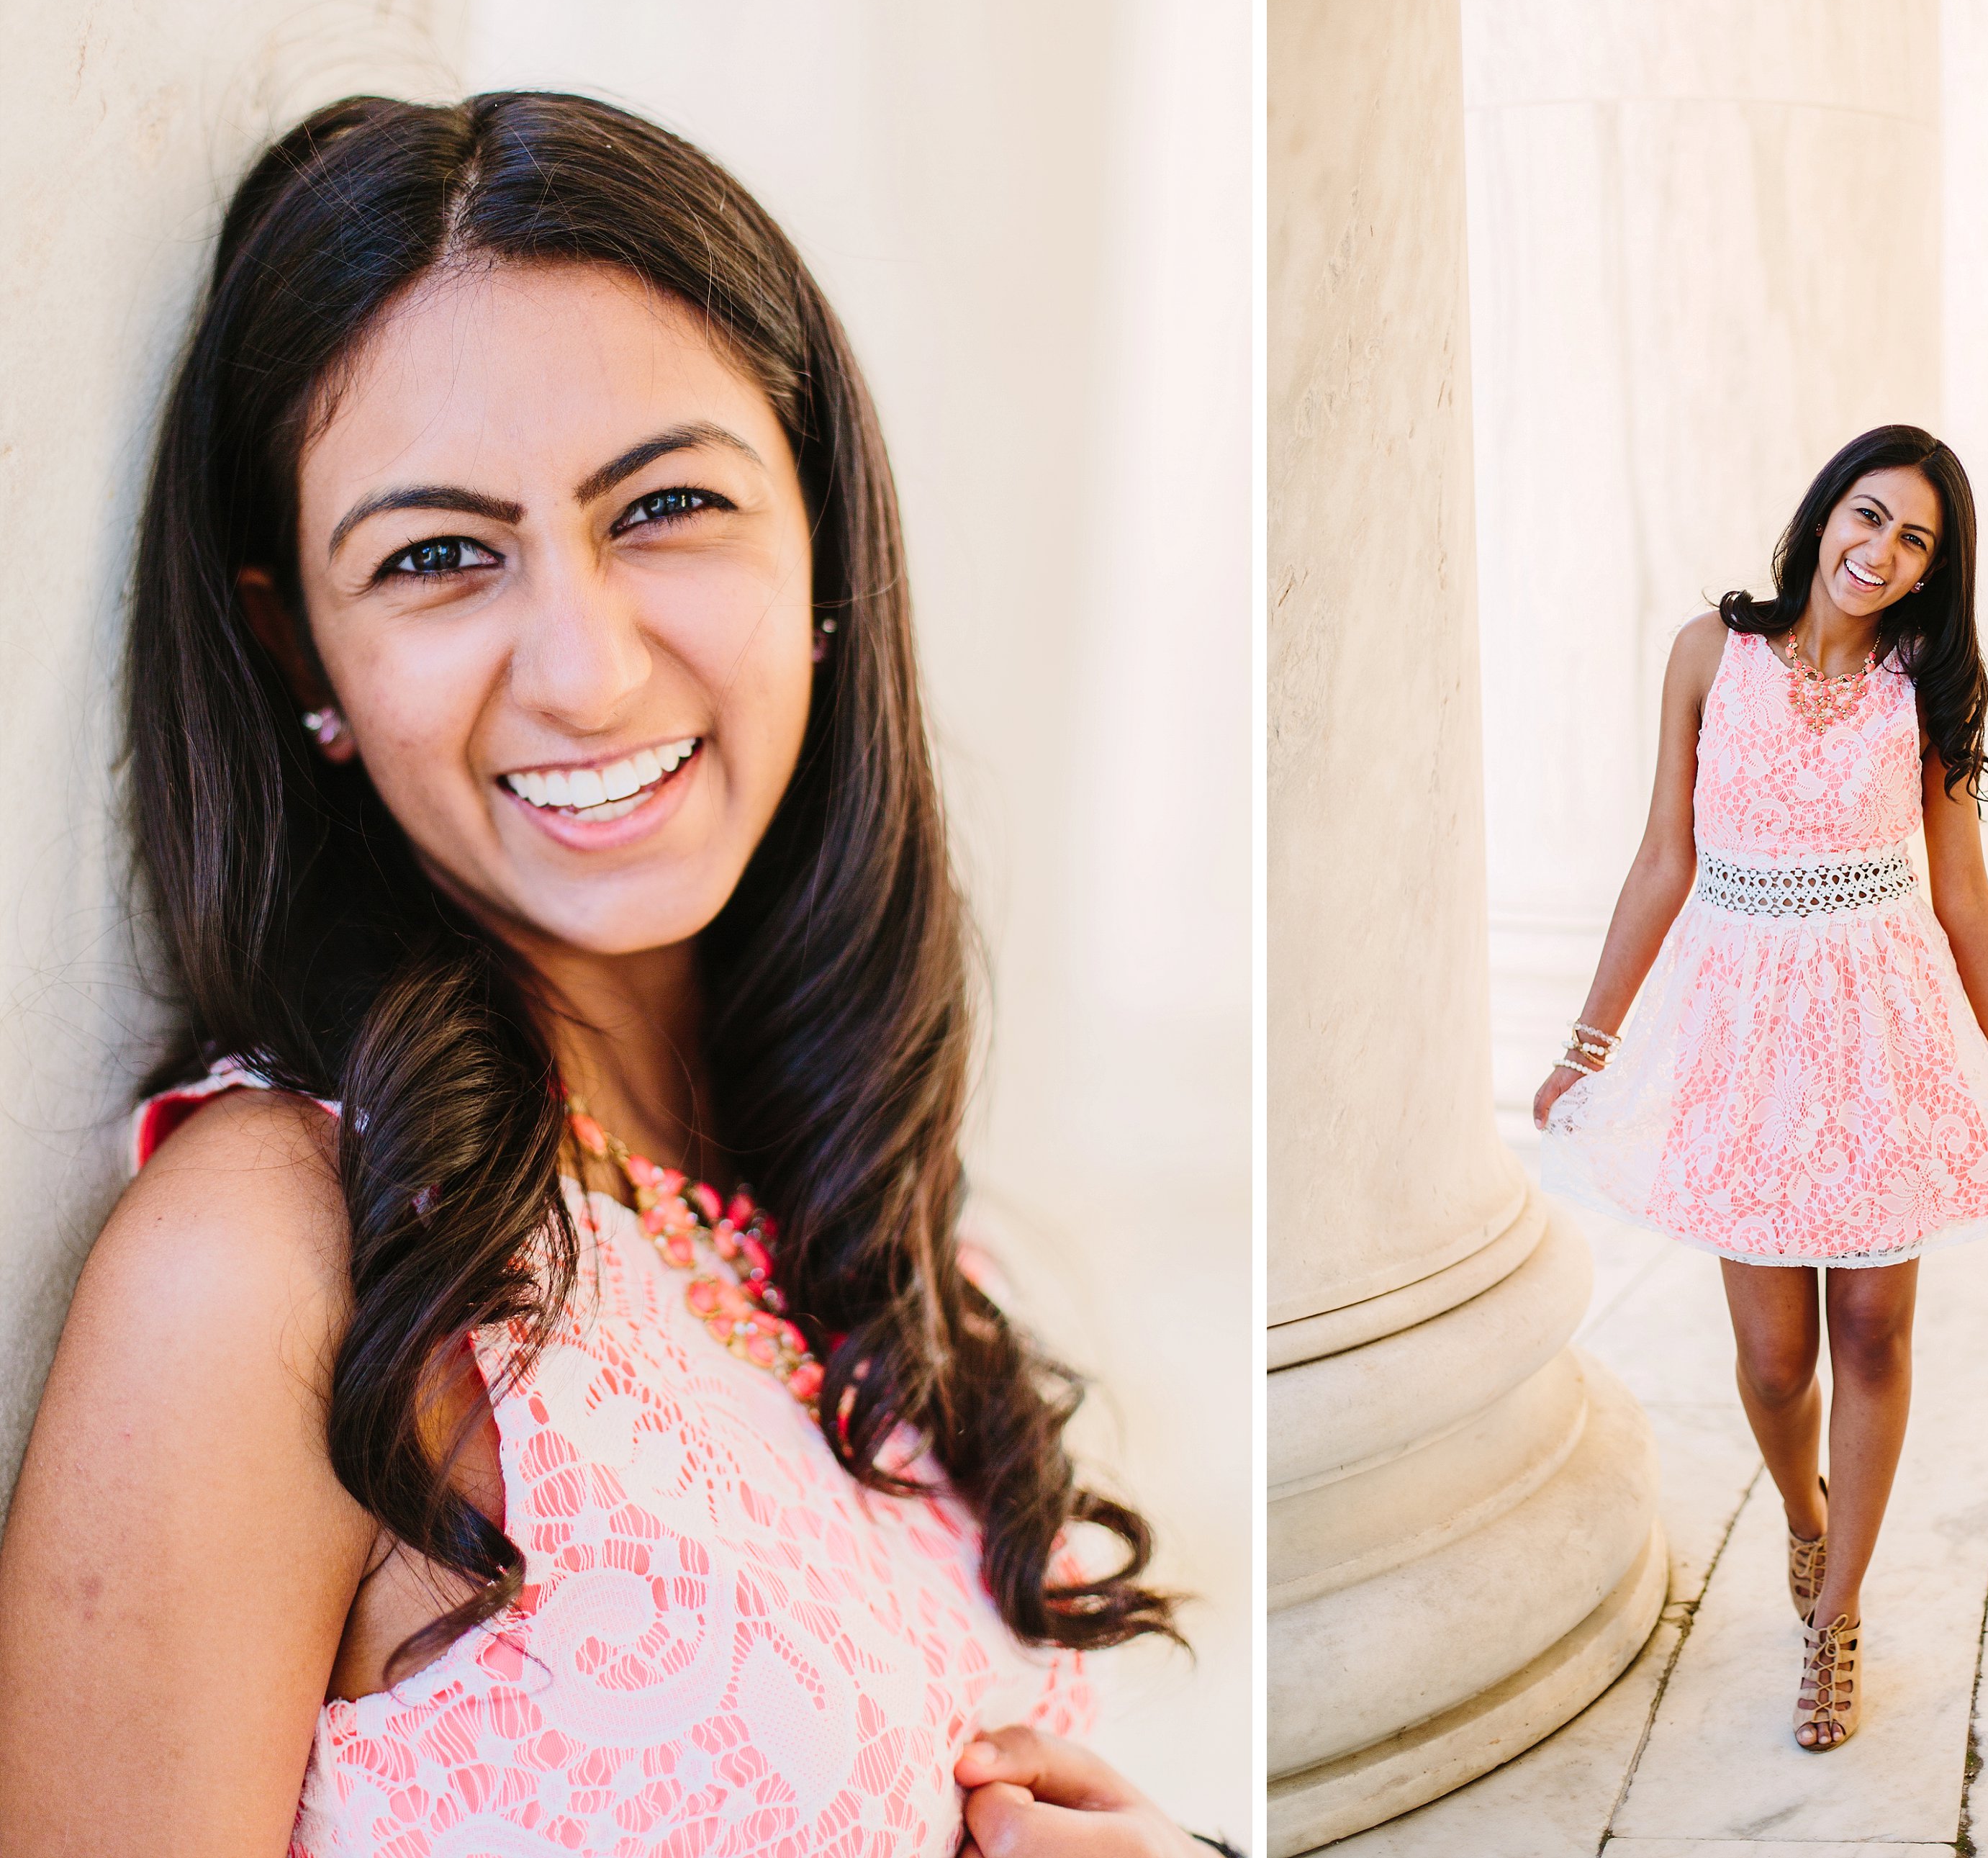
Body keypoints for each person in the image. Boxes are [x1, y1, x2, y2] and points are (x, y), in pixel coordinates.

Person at [0, 91, 1233, 1857]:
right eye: (438, 557)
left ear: (819, 545)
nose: (583, 670)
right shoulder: (279, 1269)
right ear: (300, 649)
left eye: (662, 508)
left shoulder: (872, 1236)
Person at [1532, 424, 1988, 1754]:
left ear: (1935, 571)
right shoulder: (1711, 658)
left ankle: (1836, 1616)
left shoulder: (1921, 690)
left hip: (1880, 1030)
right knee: (1778, 1362)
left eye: (1914, 541)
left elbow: (1962, 896)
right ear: (1825, 510)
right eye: (1868, 516)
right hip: (1743, 1032)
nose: (1879, 553)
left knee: (1875, 1329)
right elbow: (1665, 858)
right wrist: (1589, 1043)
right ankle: (1805, 1514)